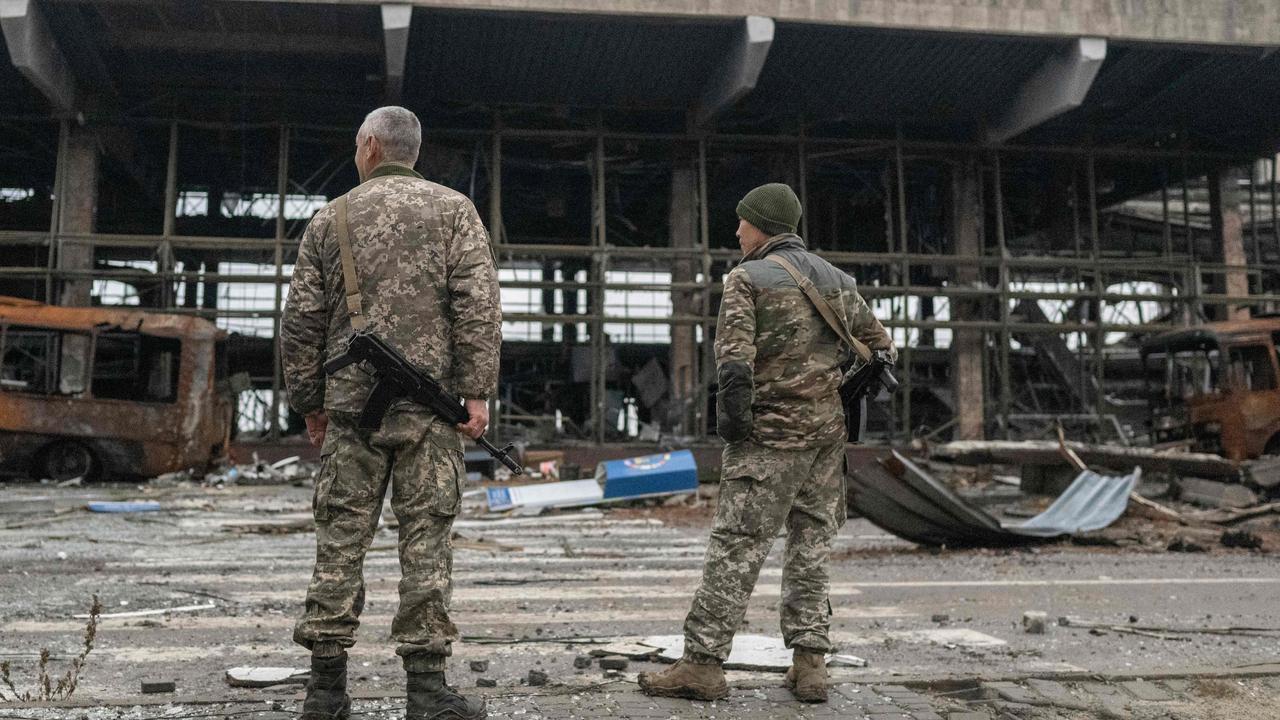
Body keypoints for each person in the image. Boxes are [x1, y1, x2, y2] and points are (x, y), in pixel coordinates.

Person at [281, 106, 500, 720]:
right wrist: (476, 391)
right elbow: (477, 305)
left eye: (357, 147)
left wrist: (310, 403)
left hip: (351, 412)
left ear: (371, 146)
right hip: (432, 419)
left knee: (339, 544)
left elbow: (301, 321)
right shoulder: (456, 210)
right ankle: (427, 693)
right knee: (427, 544)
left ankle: (326, 692)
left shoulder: (331, 218)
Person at [638, 183, 896, 704]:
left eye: (742, 222)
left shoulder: (746, 279)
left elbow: (733, 367)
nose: (736, 231)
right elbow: (881, 347)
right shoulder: (838, 280)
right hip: (826, 439)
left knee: (737, 547)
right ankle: (810, 666)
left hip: (768, 439)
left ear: (763, 226)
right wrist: (830, 387)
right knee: (810, 547)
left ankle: (703, 665)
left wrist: (734, 430)